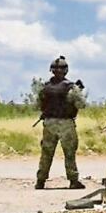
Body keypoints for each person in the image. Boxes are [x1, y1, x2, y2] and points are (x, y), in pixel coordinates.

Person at [35, 56, 86, 189]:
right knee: (69, 153)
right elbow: (81, 105)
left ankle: (40, 181)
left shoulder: (45, 87)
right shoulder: (71, 87)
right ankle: (73, 181)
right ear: (66, 70)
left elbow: (38, 105)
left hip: (49, 123)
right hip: (66, 124)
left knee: (46, 153)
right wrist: (79, 90)